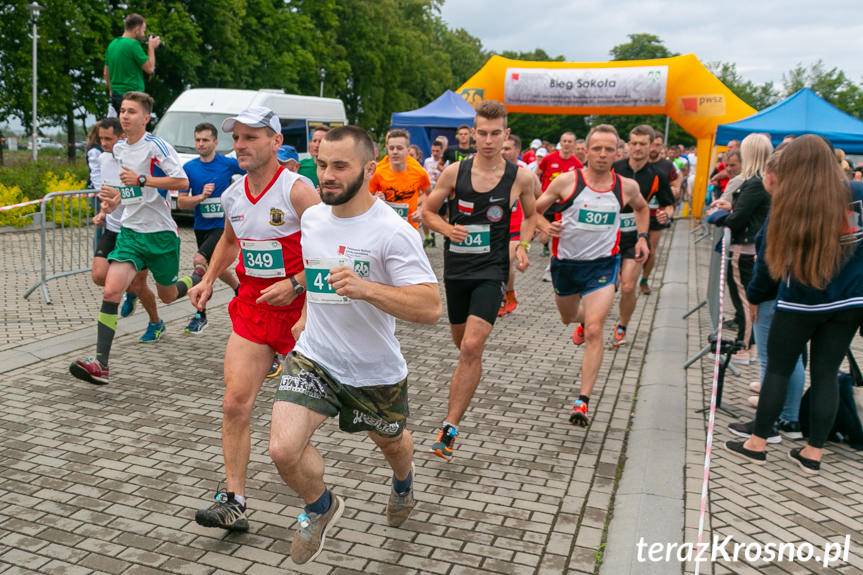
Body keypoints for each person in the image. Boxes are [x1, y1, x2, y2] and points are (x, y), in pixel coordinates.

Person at [267, 126, 441, 564]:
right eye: (322, 164)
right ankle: (320, 506)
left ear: (368, 169)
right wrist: (304, 307)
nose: (326, 174)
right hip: (316, 358)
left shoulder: (393, 232)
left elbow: (429, 306)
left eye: (339, 166)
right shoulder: (312, 219)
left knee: (393, 445)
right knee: (283, 449)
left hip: (373, 371)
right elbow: (320, 272)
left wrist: (367, 289)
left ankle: (403, 484)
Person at [190, 106, 319, 532]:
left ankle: (397, 461)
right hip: (252, 309)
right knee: (234, 403)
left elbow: (334, 246)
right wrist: (209, 279)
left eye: (251, 137)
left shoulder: (297, 191)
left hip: (303, 316)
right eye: (238, 138)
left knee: (343, 417)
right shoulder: (233, 194)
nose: (240, 146)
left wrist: (297, 283)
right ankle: (234, 499)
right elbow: (229, 239)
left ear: (275, 142)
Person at [724, 135, 863, 475]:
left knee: (778, 369)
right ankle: (813, 451)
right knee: (826, 374)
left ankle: (757, 442)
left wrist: (754, 296)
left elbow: (768, 265)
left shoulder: (788, 203)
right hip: (849, 302)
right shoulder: (857, 196)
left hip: (800, 302)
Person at [422, 100, 538, 461]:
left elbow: (532, 215)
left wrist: (523, 244)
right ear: (473, 134)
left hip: (491, 272)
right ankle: (468, 377)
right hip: (457, 273)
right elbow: (426, 212)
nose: (488, 140)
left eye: (495, 133)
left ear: (506, 134)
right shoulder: (455, 173)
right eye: (482, 133)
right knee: (464, 349)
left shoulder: (520, 177)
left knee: (472, 347)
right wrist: (446, 227)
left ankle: (449, 428)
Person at [69, 92, 192, 385]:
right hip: (131, 233)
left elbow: (182, 181)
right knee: (111, 291)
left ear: (146, 118)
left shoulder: (156, 146)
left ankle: (198, 278)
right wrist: (111, 204)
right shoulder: (120, 149)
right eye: (123, 110)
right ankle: (100, 364)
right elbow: (127, 194)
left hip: (160, 235)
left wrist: (143, 179)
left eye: (132, 111)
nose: (125, 116)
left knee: (168, 296)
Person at [535, 124, 649, 426]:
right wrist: (546, 227)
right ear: (586, 151)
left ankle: (582, 401)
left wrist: (642, 237)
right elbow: (533, 209)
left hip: (602, 265)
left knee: (596, 329)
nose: (602, 154)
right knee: (568, 317)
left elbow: (642, 208)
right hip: (566, 266)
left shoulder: (626, 187)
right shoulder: (566, 182)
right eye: (596, 148)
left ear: (617, 152)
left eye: (608, 149)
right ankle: (581, 322)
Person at [727, 148, 805, 443]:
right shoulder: (805, 205)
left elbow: (769, 260)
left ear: (773, 176)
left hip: (776, 293)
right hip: (796, 292)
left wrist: (755, 297)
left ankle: (769, 423)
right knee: (790, 357)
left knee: (772, 360)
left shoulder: (784, 209)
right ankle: (790, 417)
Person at [90, 118, 161, 336]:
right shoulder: (103, 159)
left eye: (108, 138)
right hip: (113, 227)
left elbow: (143, 194)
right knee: (99, 275)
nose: (103, 143)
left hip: (136, 231)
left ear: (121, 137)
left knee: (140, 286)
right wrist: (103, 211)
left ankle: (155, 322)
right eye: (101, 138)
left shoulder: (135, 160)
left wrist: (121, 196)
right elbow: (106, 191)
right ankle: (128, 289)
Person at [710, 134, 773, 365]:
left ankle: (745, 345)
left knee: (744, 300)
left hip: (744, 248)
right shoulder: (762, 181)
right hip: (748, 245)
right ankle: (747, 343)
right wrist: (732, 207)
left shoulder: (755, 182)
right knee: (746, 298)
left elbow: (739, 219)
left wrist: (721, 216)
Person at [176, 122, 244, 335]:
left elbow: (252, 170)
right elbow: (181, 203)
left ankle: (200, 314)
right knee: (218, 268)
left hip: (222, 227)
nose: (201, 144)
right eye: (197, 140)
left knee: (199, 261)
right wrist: (201, 197)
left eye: (205, 140)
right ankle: (239, 290)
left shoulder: (227, 164)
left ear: (215, 141)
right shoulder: (189, 168)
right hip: (201, 227)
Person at [610, 125, 673, 347]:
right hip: (608, 236)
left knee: (628, 286)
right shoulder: (613, 167)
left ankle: (622, 326)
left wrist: (666, 214)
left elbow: (668, 204)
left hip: (636, 236)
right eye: (633, 143)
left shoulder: (658, 175)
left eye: (642, 144)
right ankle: (587, 321)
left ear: (651, 146)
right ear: (627, 145)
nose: (637, 148)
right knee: (608, 287)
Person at [498, 133, 538, 316]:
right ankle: (508, 292)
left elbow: (541, 197)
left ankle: (504, 295)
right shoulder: (495, 169)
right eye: (502, 148)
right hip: (497, 227)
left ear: (517, 150)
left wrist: (538, 223)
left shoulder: (526, 173)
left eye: (507, 148)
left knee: (507, 260)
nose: (503, 152)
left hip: (517, 228)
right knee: (500, 264)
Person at [369, 129, 431, 231]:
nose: (395, 152)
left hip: (410, 228)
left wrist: (422, 209)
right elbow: (366, 197)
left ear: (407, 149)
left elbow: (429, 194)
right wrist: (375, 198)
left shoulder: (419, 172)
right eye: (391, 148)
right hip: (385, 227)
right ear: (387, 149)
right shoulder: (378, 172)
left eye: (399, 148)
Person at [641, 135, 680, 295]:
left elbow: (676, 182)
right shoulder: (638, 164)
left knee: (651, 249)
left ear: (661, 147)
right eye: (652, 145)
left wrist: (674, 190)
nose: (654, 148)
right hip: (636, 214)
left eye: (658, 145)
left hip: (656, 213)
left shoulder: (666, 165)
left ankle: (644, 279)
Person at [537, 132, 583, 262]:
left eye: (570, 142)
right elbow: (537, 174)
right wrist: (537, 193)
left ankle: (553, 260)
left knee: (561, 234)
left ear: (574, 145)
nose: (567, 144)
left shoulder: (577, 164)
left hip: (565, 204)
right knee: (544, 237)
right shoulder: (549, 158)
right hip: (547, 201)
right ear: (560, 143)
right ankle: (546, 246)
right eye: (565, 141)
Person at [104, 14, 160, 114]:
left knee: (117, 127)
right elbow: (150, 68)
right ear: (137, 29)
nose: (144, 34)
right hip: (133, 98)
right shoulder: (133, 45)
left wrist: (111, 91)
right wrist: (151, 47)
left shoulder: (112, 44)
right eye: (143, 30)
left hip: (115, 97)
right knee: (132, 128)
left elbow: (105, 73)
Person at [422, 139, 446, 247]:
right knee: (425, 215)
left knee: (442, 217)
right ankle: (428, 237)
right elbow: (424, 175)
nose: (435, 153)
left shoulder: (446, 161)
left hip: (442, 194)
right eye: (433, 151)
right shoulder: (427, 161)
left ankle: (446, 236)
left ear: (442, 151)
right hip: (429, 192)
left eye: (437, 151)